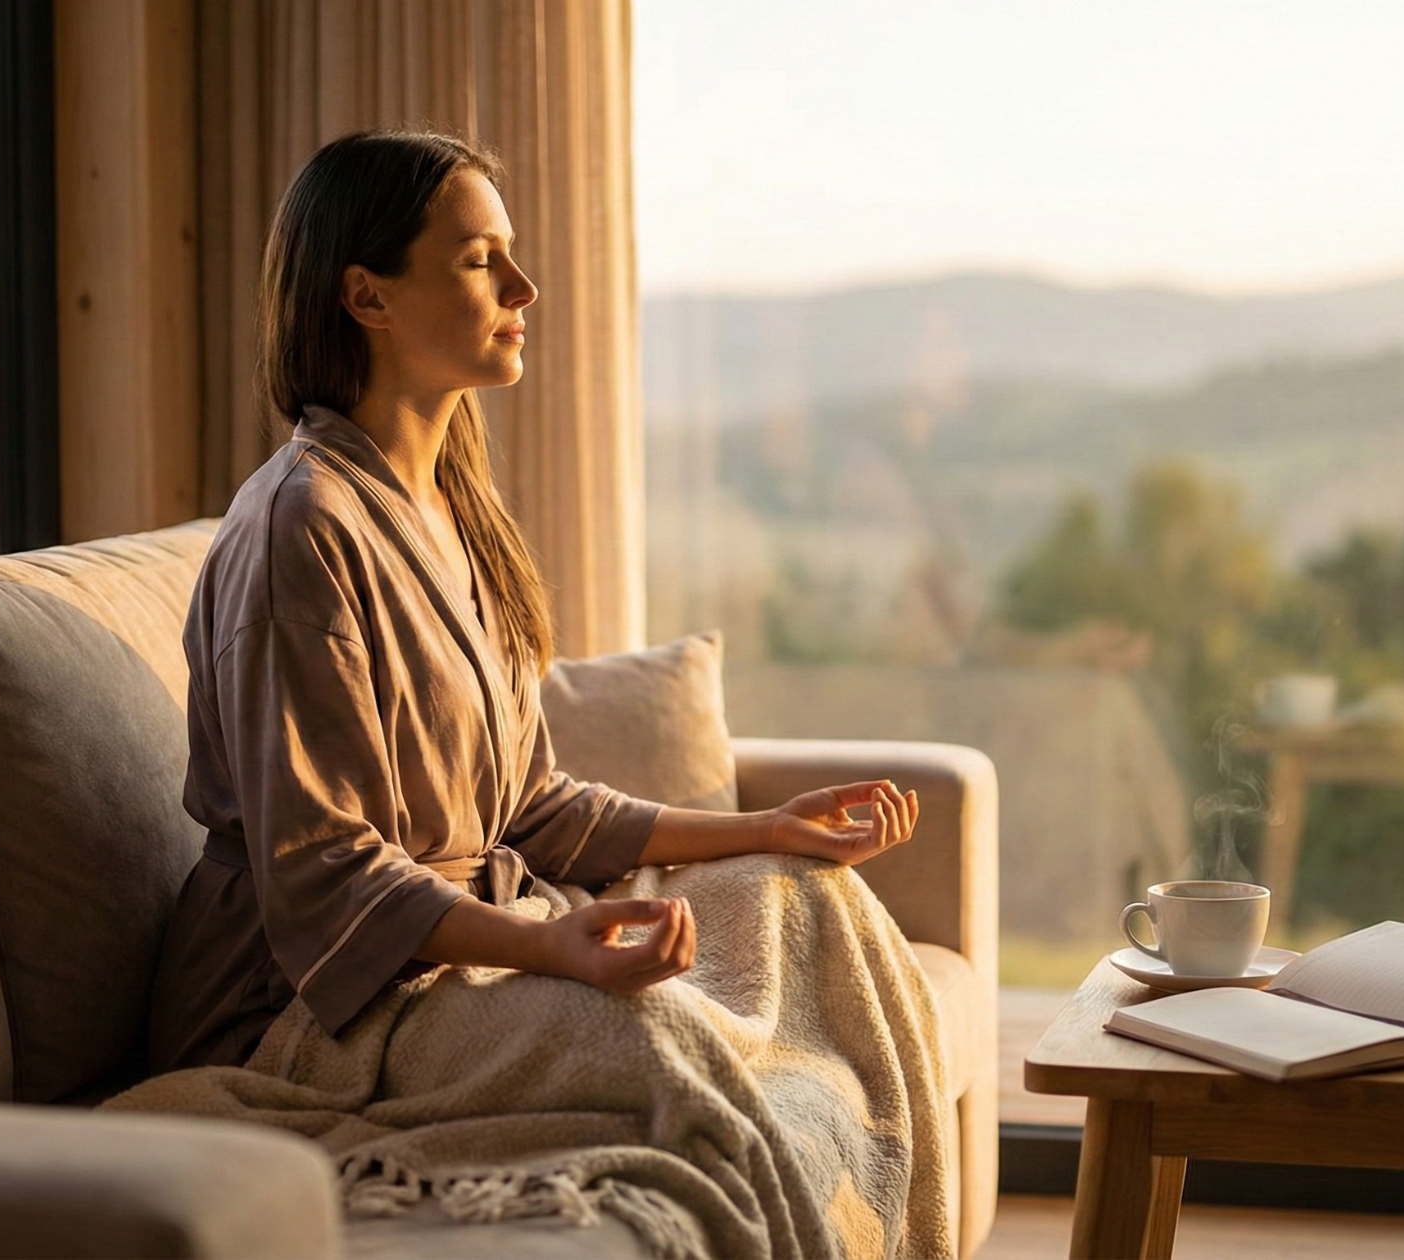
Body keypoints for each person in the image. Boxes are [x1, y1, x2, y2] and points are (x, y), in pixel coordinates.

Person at [148, 131, 919, 1073]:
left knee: (799, 894)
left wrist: (767, 828)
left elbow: (531, 806)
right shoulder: (298, 530)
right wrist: (547, 947)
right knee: (658, 1041)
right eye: (480, 261)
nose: (524, 287)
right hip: (296, 1000)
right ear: (367, 296)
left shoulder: (453, 507)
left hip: (463, 942)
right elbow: (321, 872)